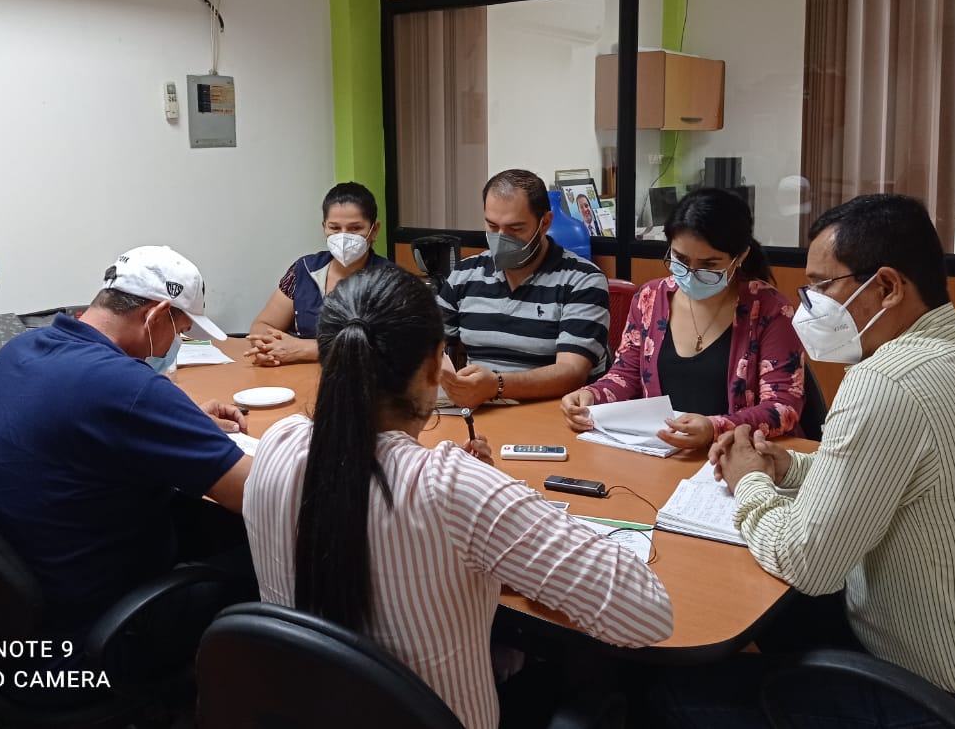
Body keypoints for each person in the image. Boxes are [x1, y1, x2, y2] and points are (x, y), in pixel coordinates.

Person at [687, 194, 955, 727]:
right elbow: (888, 473)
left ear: (887, 287)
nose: (809, 306)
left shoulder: (887, 381)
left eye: (822, 287)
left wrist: (750, 481)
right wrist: (787, 468)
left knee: (679, 691)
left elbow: (805, 563)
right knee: (775, 620)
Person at [243, 266, 673, 729]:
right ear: (436, 365)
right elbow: (647, 614)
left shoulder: (278, 443)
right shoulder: (451, 487)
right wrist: (501, 503)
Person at [0, 245, 252, 641]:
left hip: (8, 605)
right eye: (180, 331)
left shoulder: (21, 349)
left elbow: (86, 420)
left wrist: (182, 419)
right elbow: (256, 492)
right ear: (156, 315)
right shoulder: (128, 388)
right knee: (262, 560)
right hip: (95, 627)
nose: (173, 346)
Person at [562, 188, 804, 450]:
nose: (691, 273)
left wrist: (714, 428)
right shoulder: (649, 298)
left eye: (709, 265)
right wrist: (592, 395)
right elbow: (626, 375)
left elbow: (783, 406)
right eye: (680, 259)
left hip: (737, 456)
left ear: (740, 257)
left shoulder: (770, 309)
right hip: (662, 453)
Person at [437, 169, 610, 408]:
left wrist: (496, 386)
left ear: (545, 223)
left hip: (551, 414)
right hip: (480, 411)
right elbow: (426, 343)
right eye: (492, 226)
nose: (501, 238)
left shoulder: (582, 279)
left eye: (515, 229)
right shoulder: (465, 274)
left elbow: (572, 372)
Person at [246, 181, 395, 366]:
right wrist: (267, 349)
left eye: (355, 228)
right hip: (293, 376)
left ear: (374, 230)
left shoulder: (392, 280)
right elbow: (263, 325)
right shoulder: (303, 269)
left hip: (361, 378)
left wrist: (305, 349)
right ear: (324, 226)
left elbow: (393, 346)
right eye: (334, 228)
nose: (343, 236)